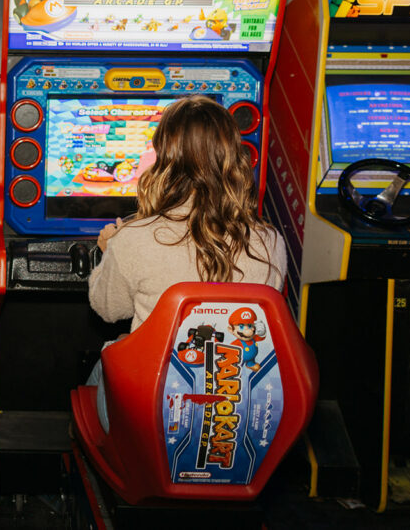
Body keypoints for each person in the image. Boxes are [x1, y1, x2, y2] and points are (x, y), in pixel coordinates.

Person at [86, 95, 286, 431]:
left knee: (101, 367)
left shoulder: (135, 238)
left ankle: (113, 476)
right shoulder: (269, 242)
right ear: (234, 157)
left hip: (154, 415)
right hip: (238, 415)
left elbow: (107, 309)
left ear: (165, 157)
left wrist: (109, 251)